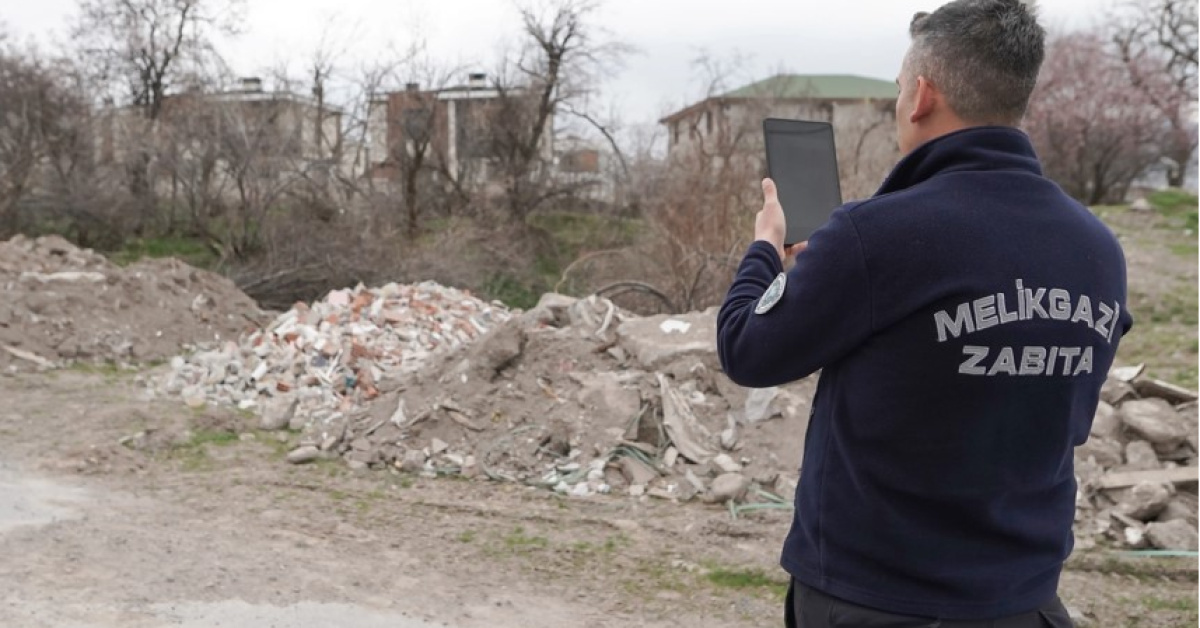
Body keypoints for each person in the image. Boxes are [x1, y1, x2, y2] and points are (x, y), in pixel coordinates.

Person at [716, 1, 1133, 626]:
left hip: (875, 598)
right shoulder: (1098, 250)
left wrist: (764, 251)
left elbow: (747, 349)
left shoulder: (875, 235)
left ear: (921, 95)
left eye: (896, 90)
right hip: (1022, 600)